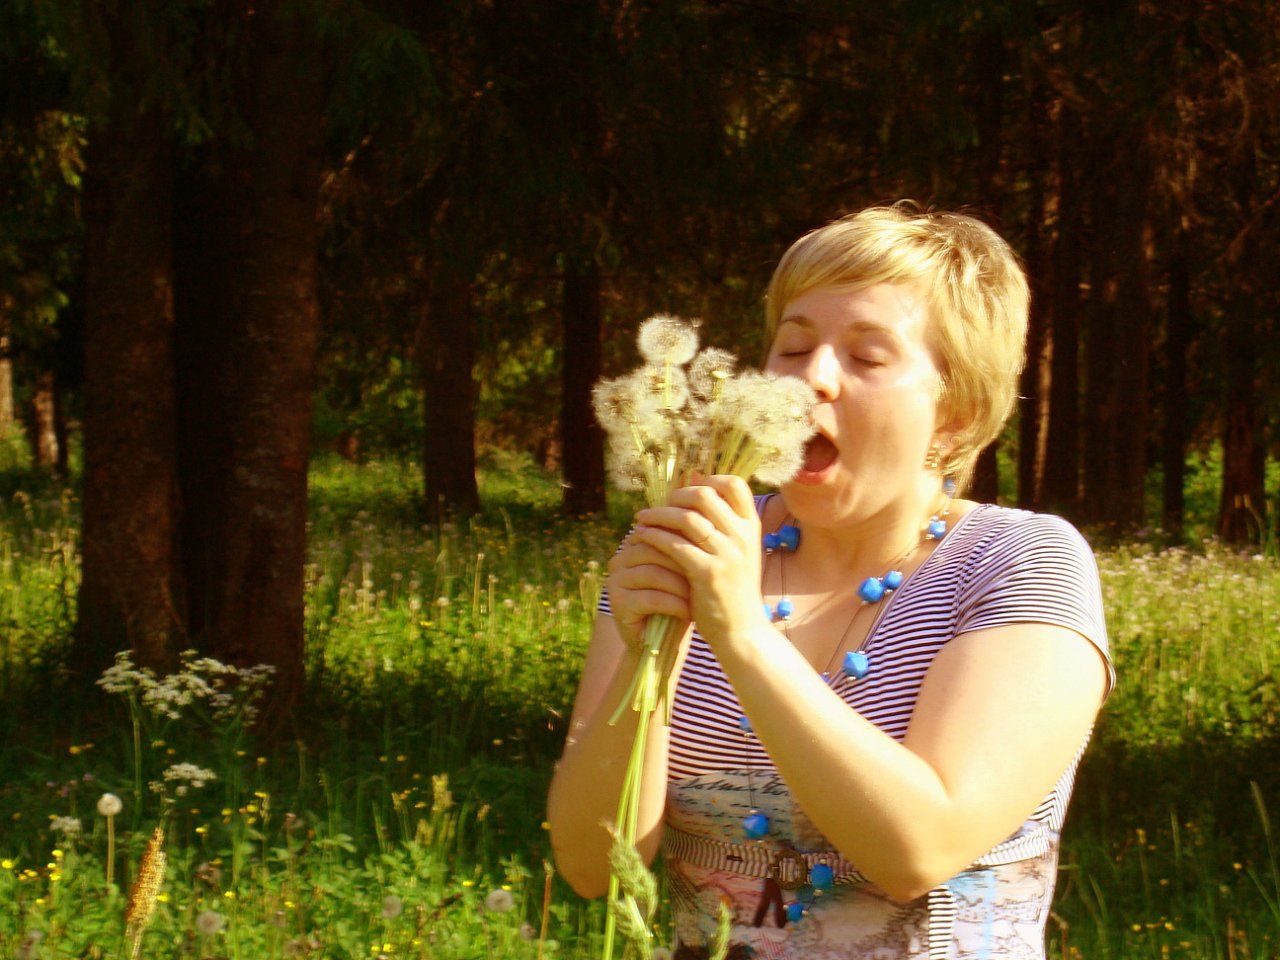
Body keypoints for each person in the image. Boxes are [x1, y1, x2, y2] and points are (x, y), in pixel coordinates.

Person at [547, 203, 1113, 960]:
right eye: (793, 345)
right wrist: (659, 645)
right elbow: (591, 864)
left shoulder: (1021, 563)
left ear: (957, 410)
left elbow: (918, 849)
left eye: (867, 357)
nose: (811, 377)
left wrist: (742, 633)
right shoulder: (691, 547)